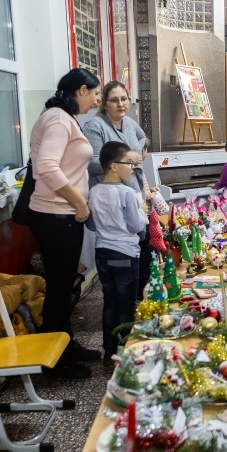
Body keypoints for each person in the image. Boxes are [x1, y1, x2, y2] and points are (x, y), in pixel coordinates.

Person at [27, 68, 102, 378]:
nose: (96, 100)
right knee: (59, 288)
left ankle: (65, 344)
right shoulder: (58, 119)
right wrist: (79, 202)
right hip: (55, 215)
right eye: (95, 93)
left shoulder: (63, 117)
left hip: (62, 215)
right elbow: (46, 167)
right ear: (81, 90)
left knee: (63, 284)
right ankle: (55, 361)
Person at [81, 80, 153, 303]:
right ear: (104, 103)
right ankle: (129, 305)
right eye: (114, 100)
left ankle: (141, 301)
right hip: (112, 199)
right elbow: (92, 162)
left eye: (124, 99)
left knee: (143, 248)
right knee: (124, 257)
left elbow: (144, 137)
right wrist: (127, 159)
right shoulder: (95, 126)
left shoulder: (129, 123)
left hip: (135, 192)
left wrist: (140, 150)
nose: (120, 104)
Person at [88, 141, 148, 356]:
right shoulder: (127, 193)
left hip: (102, 253)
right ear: (114, 166)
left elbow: (91, 225)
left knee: (110, 302)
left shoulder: (94, 191)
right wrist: (142, 211)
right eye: (129, 163)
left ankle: (109, 348)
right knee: (127, 305)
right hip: (125, 254)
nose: (132, 167)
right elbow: (135, 226)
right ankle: (127, 351)